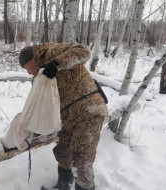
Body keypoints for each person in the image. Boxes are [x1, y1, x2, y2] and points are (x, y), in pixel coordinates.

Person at [19, 42, 108, 190]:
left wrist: (56, 64)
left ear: (31, 60)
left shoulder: (52, 52)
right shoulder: (38, 76)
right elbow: (41, 102)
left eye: (25, 68)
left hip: (88, 111)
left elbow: (83, 51)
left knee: (82, 158)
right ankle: (63, 186)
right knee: (62, 152)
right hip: (66, 118)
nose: (27, 72)